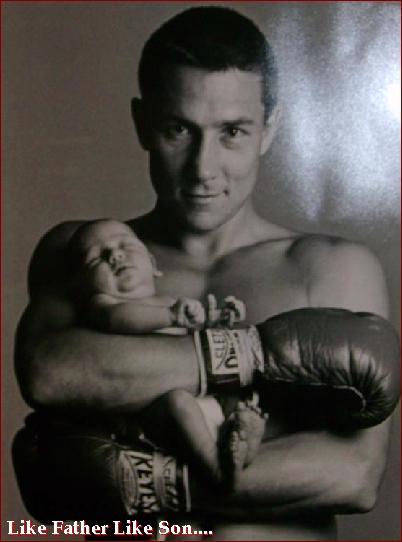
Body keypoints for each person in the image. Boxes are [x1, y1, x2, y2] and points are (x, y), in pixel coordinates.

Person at [13, 6, 400, 541]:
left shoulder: (329, 267)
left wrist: (145, 483)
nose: (202, 168)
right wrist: (259, 356)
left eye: (232, 132)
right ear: (142, 123)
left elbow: (352, 476)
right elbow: (52, 372)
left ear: (269, 130)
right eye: (178, 129)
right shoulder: (92, 251)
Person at [64, 217, 264, 490]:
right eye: (96, 258)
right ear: (83, 284)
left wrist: (218, 321)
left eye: (126, 245)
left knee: (243, 393)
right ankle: (216, 469)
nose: (115, 255)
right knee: (179, 402)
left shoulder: (170, 304)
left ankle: (240, 438)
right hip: (157, 413)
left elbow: (200, 339)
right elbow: (118, 319)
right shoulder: (103, 305)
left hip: (203, 401)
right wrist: (169, 316)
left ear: (153, 265)